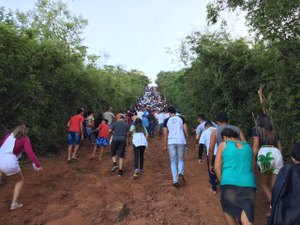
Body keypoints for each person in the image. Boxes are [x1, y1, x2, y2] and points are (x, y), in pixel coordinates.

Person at [214, 128, 256, 225]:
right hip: (249, 184)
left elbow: (217, 167)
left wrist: (222, 182)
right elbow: (252, 166)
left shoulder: (223, 145)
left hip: (229, 183)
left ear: (224, 137)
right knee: (247, 214)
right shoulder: (248, 147)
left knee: (228, 210)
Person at [0, 122, 42, 210]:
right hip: (9, 162)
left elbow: (1, 146)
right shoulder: (25, 139)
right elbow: (30, 152)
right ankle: (14, 203)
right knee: (19, 180)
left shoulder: (8, 136)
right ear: (26, 130)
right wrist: (38, 164)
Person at [252, 113, 283, 203]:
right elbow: (280, 147)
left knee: (264, 184)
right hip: (277, 153)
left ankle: (273, 205)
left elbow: (256, 145)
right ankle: (278, 205)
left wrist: (252, 157)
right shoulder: (274, 131)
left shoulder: (256, 130)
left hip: (265, 154)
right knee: (275, 185)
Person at [268, 144, 300, 225]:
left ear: (292, 157)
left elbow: (277, 189)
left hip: (289, 213)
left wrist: (272, 205)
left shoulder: (286, 170)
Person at [163, 106, 189, 188]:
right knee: (181, 159)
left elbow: (165, 133)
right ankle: (180, 172)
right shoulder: (181, 118)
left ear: (169, 113)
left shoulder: (166, 120)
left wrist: (165, 144)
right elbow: (185, 129)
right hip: (181, 141)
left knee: (173, 161)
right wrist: (187, 140)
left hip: (171, 142)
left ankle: (175, 181)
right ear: (175, 112)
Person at [199, 121, 218, 193]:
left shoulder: (205, 132)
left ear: (206, 127)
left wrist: (199, 157)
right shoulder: (218, 130)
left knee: (211, 169)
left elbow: (201, 145)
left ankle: (214, 188)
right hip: (221, 152)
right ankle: (217, 180)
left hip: (211, 153)